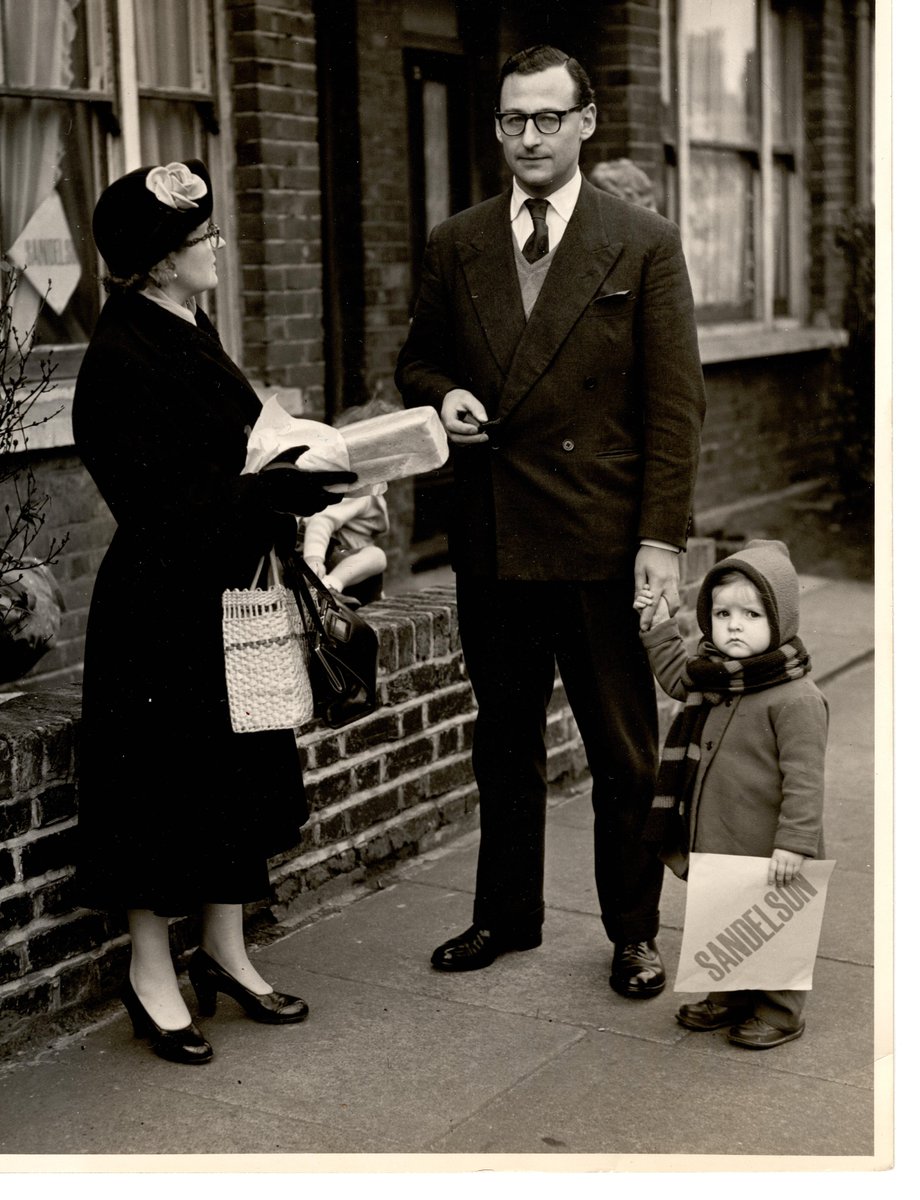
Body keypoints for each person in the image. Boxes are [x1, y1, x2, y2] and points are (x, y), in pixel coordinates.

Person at [395, 45, 706, 996]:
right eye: (510, 120)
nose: (527, 138)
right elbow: (416, 362)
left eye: (545, 118)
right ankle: (506, 916)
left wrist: (660, 538)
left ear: (585, 122)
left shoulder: (641, 240)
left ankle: (633, 931)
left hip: (600, 537)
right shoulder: (458, 240)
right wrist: (442, 395)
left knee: (621, 750)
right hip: (495, 532)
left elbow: (675, 404)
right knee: (505, 740)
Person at [73, 160, 355, 1065]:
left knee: (236, 777)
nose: (219, 250)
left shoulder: (192, 326)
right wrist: (274, 491)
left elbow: (241, 449)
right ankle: (152, 973)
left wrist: (298, 476)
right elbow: (160, 506)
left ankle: (228, 951)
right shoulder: (120, 356)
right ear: (159, 261)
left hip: (230, 595)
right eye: (203, 241)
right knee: (160, 793)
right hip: (161, 612)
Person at [636, 540, 828, 1048]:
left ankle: (781, 1010)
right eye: (722, 613)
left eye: (751, 613)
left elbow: (806, 779)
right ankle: (730, 993)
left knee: (777, 922)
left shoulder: (796, 698)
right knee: (724, 915)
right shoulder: (715, 676)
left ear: (781, 620)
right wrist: (658, 625)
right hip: (717, 830)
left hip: (772, 841)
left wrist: (795, 842)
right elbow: (678, 677)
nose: (734, 625)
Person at [301, 489, 389, 606]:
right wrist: (314, 558)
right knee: (377, 556)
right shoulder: (359, 493)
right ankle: (326, 587)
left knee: (372, 561)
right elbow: (321, 520)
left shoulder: (369, 493)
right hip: (330, 559)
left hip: (347, 568)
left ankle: (329, 588)